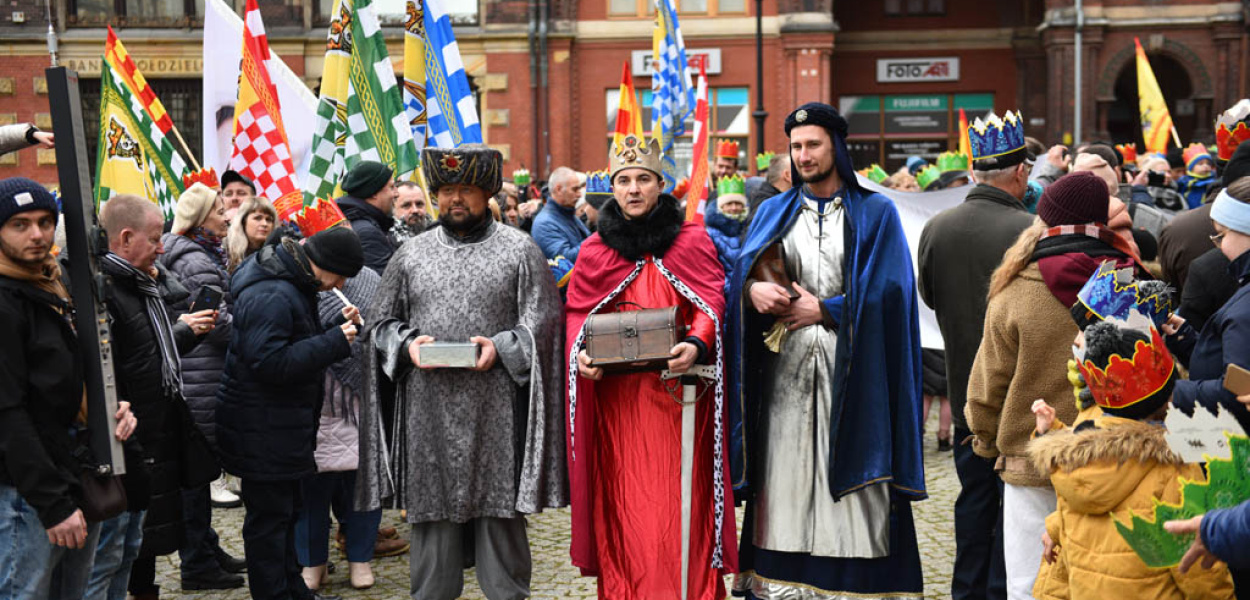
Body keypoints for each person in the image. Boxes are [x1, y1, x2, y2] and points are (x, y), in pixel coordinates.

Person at [726, 103, 925, 599]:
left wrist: (831, 309)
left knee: (852, 475)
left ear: (836, 146)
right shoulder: (772, 210)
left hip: (854, 371)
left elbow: (894, 292)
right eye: (795, 146)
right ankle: (779, 581)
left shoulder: (875, 211)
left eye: (813, 144)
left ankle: (855, 584)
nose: (803, 155)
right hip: (785, 375)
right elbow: (740, 278)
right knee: (785, 477)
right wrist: (751, 292)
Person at [357, 145, 566, 600]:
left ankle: (507, 593)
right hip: (427, 410)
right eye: (446, 191)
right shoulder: (410, 255)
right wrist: (409, 345)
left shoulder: (520, 250)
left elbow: (544, 326)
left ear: (487, 193)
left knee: (500, 516)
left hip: (496, 410)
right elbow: (378, 327)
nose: (455, 200)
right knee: (432, 525)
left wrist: (503, 345)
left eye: (465, 191)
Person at [565, 133, 738, 599]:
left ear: (662, 185)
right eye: (624, 180)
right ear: (612, 188)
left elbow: (711, 301)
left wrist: (698, 343)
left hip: (680, 403)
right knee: (626, 509)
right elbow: (579, 316)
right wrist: (581, 356)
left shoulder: (691, 241)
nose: (634, 188)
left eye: (643, 178)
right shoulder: (594, 252)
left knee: (680, 507)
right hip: (619, 411)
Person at [966, 171, 1149, 600]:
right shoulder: (1131, 282)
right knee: (1102, 581)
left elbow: (988, 381)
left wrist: (986, 438)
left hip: (1033, 461)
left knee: (1029, 583)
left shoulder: (1014, 290)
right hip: (1114, 457)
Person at [1028, 304, 1234, 600]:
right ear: (1168, 399)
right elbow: (1197, 568)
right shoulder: (1173, 470)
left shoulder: (1076, 457)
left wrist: (1054, 528)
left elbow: (1072, 516)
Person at [919, 111, 1039, 600]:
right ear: (1021, 172)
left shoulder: (936, 227)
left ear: (974, 173)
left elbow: (929, 297)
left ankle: (965, 591)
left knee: (972, 500)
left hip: (963, 387)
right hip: (1018, 394)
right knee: (1014, 504)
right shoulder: (1032, 229)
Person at [0, 178, 136, 600]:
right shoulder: (6, 302)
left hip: (76, 469)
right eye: (19, 224)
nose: (37, 234)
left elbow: (81, 370)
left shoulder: (56, 284)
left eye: (44, 222)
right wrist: (53, 505)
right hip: (29, 492)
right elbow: (7, 414)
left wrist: (113, 405)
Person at [216, 226, 364, 600]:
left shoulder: (288, 280)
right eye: (341, 275)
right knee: (269, 522)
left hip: (277, 425)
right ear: (327, 265)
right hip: (263, 426)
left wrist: (336, 329)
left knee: (285, 514)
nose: (340, 285)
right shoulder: (273, 291)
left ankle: (292, 590)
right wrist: (334, 341)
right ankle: (274, 594)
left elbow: (292, 341)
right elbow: (270, 363)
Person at [86, 194, 221, 600]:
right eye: (156, 238)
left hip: (151, 433)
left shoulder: (144, 284)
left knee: (136, 546)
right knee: (116, 554)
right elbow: (124, 365)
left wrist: (179, 332)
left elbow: (148, 353)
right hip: (128, 434)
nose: (163, 248)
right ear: (125, 238)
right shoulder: (106, 290)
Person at [159, 184, 250, 592]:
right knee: (196, 476)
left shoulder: (192, 252)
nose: (226, 215)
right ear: (200, 217)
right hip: (201, 374)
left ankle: (207, 548)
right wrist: (250, 334)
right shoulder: (196, 260)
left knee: (197, 472)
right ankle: (197, 561)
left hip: (196, 371)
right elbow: (212, 322)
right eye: (218, 210)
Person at [295, 265, 398, 592]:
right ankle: (313, 562)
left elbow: (385, 324)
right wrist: (331, 330)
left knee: (363, 487)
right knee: (311, 489)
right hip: (317, 396)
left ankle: (360, 559)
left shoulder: (368, 276)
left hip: (362, 396)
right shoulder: (301, 277)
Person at [1159, 141, 1250, 295]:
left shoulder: (1203, 268)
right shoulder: (1184, 190)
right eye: (1219, 234)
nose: (1220, 244)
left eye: (1222, 235)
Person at [336, 161, 398, 274]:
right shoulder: (367, 233)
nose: (396, 193)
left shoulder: (359, 223)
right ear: (373, 192)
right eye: (392, 187)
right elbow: (382, 285)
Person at [531, 166, 590, 263]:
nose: (579, 194)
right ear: (558, 189)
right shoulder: (544, 224)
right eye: (575, 189)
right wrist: (597, 239)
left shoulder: (568, 214)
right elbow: (564, 261)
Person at [704, 174, 748, 286]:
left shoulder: (749, 227)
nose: (734, 207)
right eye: (729, 204)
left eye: (738, 203)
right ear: (721, 207)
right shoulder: (710, 234)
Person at [225, 198, 278, 272]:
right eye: (258, 218)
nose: (264, 224)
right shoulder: (225, 250)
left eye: (269, 219)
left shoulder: (278, 253)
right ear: (243, 222)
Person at [1180, 143, 1218, 209]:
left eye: (1208, 163)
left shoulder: (1214, 180)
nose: (1205, 166)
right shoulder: (1184, 182)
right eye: (1200, 164)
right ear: (1191, 168)